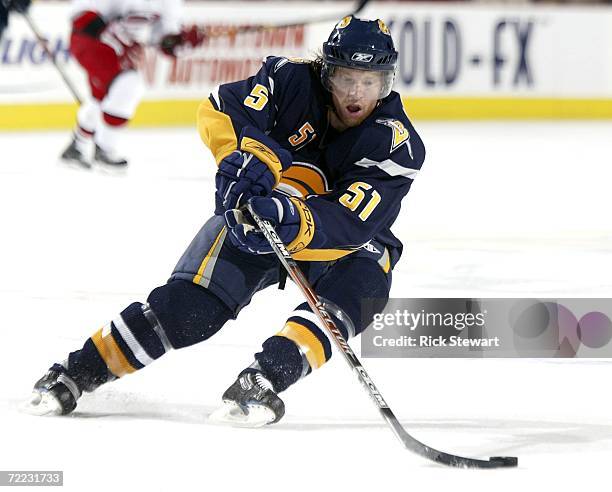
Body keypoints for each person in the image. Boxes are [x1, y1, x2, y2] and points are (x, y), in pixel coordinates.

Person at [25, 16, 426, 426]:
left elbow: (354, 222)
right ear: (327, 72)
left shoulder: (396, 144)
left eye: (370, 81)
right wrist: (248, 160)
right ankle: (75, 372)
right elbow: (220, 107)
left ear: (387, 82)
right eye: (346, 78)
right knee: (186, 312)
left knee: (366, 279)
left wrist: (291, 217)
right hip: (254, 220)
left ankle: (264, 377)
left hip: (329, 240)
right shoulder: (288, 80)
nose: (356, 93)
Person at [59, 0, 204, 169]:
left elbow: (163, 40)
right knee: (127, 85)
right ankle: (104, 149)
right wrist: (114, 37)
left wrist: (179, 42)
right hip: (89, 39)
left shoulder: (170, 3)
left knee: (106, 96)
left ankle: (77, 146)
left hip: (120, 46)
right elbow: (82, 18)